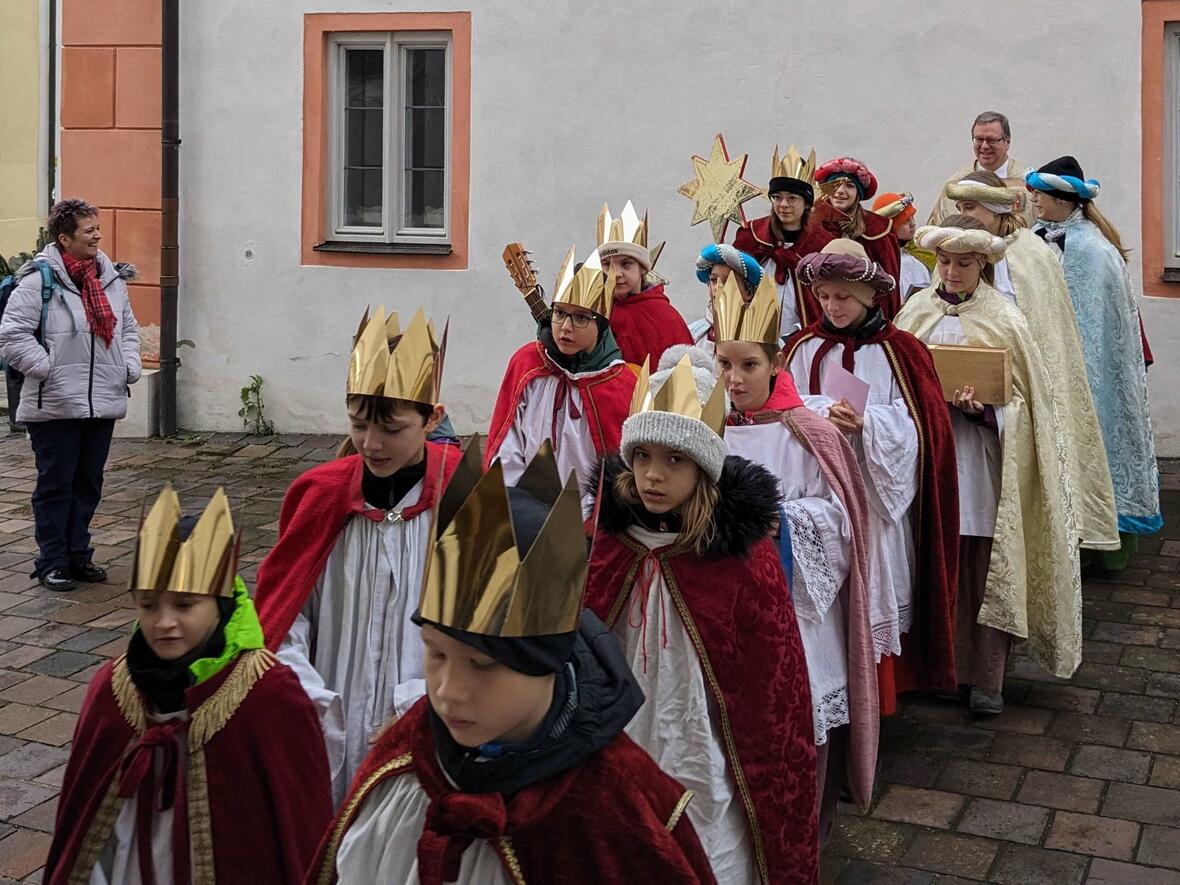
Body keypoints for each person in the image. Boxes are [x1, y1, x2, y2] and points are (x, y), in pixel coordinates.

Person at [309, 442, 717, 884]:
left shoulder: (617, 804)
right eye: (436, 652)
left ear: (546, 662)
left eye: (482, 664)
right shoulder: (405, 757)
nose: (447, 690)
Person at [586, 351, 819, 884]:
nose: (652, 475)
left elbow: (772, 687)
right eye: (641, 455)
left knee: (704, 818)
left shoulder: (738, 555)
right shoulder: (609, 538)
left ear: (704, 467)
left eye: (675, 460)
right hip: (621, 722)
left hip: (703, 730)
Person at [44, 486, 332, 884]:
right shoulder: (113, 690)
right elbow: (81, 822)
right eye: (148, 605)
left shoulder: (268, 696)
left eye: (184, 605)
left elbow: (300, 827)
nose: (164, 622)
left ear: (221, 603)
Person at [252, 306, 461, 804]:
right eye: (359, 424)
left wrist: (424, 706)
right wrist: (307, 695)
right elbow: (285, 613)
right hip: (330, 709)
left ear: (431, 418)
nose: (371, 443)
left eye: (392, 429)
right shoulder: (319, 496)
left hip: (431, 712)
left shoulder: (465, 494)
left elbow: (484, 625)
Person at [710, 273, 879, 844]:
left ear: (776, 361)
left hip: (800, 598)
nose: (734, 380)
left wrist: (785, 522)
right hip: (729, 597)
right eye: (724, 364)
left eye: (748, 366)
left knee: (801, 706)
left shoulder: (808, 429)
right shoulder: (708, 426)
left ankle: (806, 819)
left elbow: (842, 518)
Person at [895, 217, 1082, 713]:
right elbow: (894, 383)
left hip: (982, 461)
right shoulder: (914, 312)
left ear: (982, 265)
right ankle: (940, 667)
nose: (953, 272)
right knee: (938, 561)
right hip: (932, 459)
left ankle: (986, 678)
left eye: (964, 263)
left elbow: (1028, 402)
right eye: (946, 262)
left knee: (983, 567)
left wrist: (989, 412)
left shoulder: (1005, 318)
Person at [783, 240, 958, 717]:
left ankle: (878, 697)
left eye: (843, 297)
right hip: (817, 492)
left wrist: (870, 425)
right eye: (824, 296)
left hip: (877, 495)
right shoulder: (801, 347)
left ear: (867, 296)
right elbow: (782, 407)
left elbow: (923, 426)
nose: (833, 307)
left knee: (871, 586)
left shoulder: (902, 351)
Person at [947, 170, 1120, 555]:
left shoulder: (1028, 254)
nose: (963, 215)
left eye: (970, 207)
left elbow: (1041, 337)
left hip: (1019, 396)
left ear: (993, 210)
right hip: (966, 400)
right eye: (958, 207)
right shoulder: (958, 253)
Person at [1025, 156, 1162, 569]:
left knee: (1091, 445)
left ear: (1061, 199)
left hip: (1087, 373)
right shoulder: (1036, 238)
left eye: (1039, 194)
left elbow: (1099, 325)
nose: (1033, 201)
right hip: (1047, 366)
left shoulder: (1094, 250)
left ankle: (1098, 550)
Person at [0, 199, 141, 591]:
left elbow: (127, 329)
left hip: (102, 400)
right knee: (56, 484)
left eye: (98, 228)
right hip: (55, 402)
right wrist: (46, 369)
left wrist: (128, 367)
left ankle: (79, 555)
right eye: (88, 230)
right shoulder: (37, 282)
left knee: (88, 482)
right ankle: (52, 561)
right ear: (64, 238)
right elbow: (12, 334)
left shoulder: (111, 280)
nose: (98, 235)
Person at [484, 248, 636, 510]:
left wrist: (589, 516)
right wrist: (517, 504)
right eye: (559, 313)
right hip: (523, 509)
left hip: (592, 518)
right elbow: (507, 443)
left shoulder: (619, 383)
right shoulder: (527, 364)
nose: (565, 327)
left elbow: (622, 469)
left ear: (600, 324)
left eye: (580, 317)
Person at [733, 145, 836, 333]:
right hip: (752, 333)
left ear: (806, 203)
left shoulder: (823, 245)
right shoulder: (752, 235)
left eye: (792, 198)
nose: (783, 205)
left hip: (799, 337)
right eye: (777, 197)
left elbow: (826, 300)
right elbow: (731, 287)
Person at [597, 201, 693, 368]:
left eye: (626, 264)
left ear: (642, 268)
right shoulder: (594, 312)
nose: (616, 273)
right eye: (607, 265)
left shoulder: (664, 316)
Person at [813, 157, 901, 317]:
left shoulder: (879, 229)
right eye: (835, 184)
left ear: (858, 193)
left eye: (849, 186)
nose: (840, 191)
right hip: (824, 311)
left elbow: (888, 286)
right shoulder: (813, 226)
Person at [928, 111, 1035, 225]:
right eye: (979, 140)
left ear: (1007, 142)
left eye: (992, 140)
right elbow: (935, 229)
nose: (984, 146)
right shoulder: (956, 183)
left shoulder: (1026, 183)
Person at [690, 243, 764, 354]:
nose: (717, 288)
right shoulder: (692, 335)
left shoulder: (765, 341)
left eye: (728, 281)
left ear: (748, 292)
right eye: (714, 280)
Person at [871, 192, 932, 302]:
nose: (913, 224)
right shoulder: (881, 261)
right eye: (905, 221)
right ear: (890, 227)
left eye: (912, 217)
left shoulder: (922, 251)